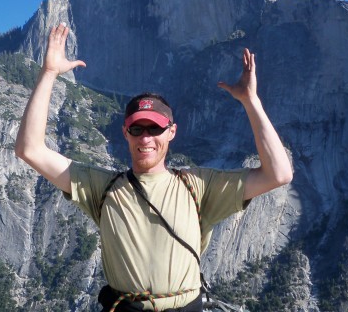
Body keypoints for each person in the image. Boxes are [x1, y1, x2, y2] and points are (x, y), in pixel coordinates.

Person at [15, 23, 293, 311]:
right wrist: (48, 73)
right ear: (125, 132)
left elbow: (279, 174)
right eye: (137, 129)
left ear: (172, 132)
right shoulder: (101, 188)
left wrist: (251, 102)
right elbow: (29, 149)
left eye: (155, 129)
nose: (146, 138)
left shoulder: (199, 187)